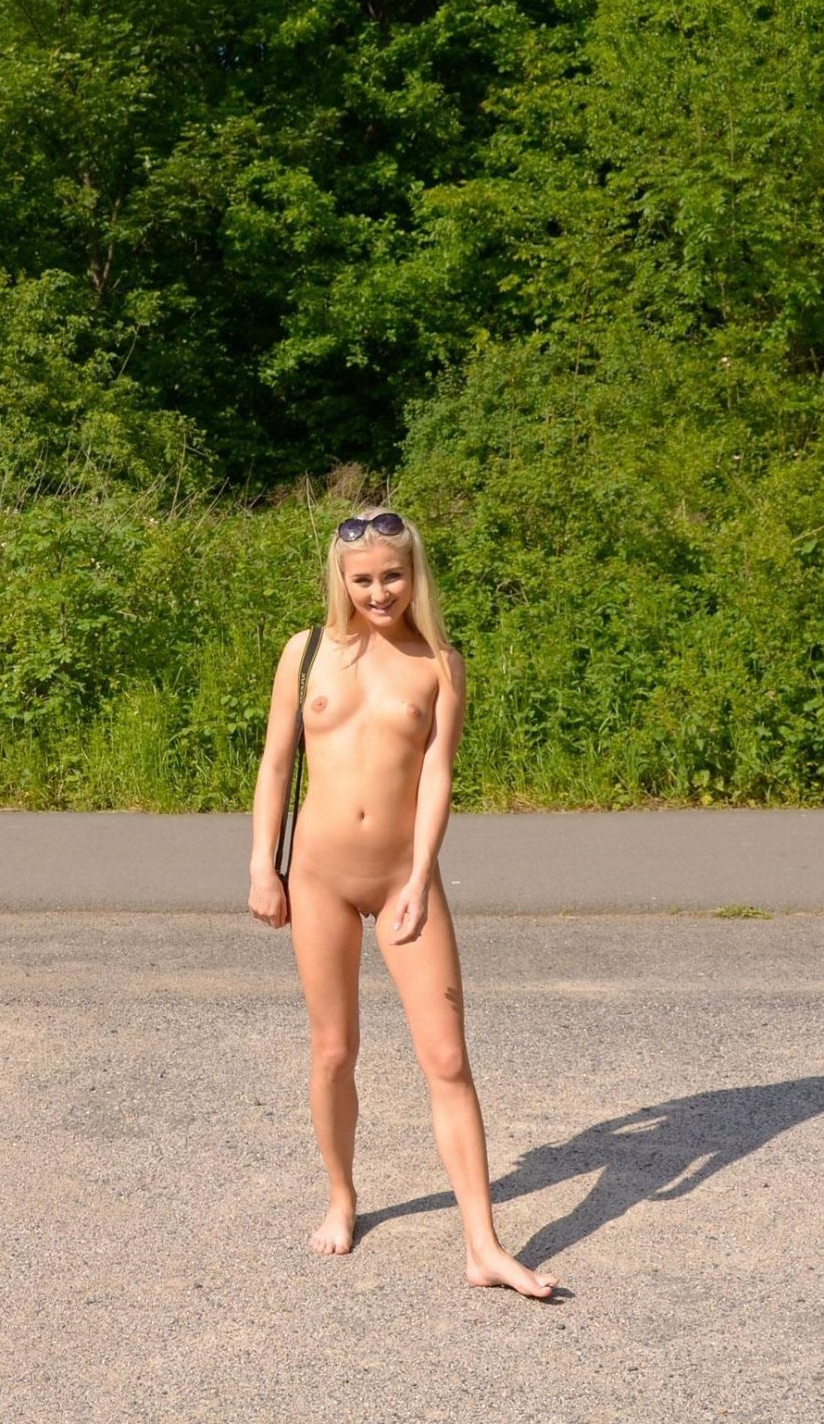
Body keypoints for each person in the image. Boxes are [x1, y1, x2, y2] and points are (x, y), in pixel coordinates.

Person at [247, 508, 558, 1298]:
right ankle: (341, 1197)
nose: (379, 591)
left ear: (414, 574)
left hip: (401, 880)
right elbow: (276, 762)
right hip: (317, 876)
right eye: (363, 579)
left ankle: (483, 1245)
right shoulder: (305, 652)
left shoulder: (440, 663)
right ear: (341, 579)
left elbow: (439, 774)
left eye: (393, 575)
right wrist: (262, 866)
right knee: (333, 1050)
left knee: (447, 1058)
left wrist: (420, 877)